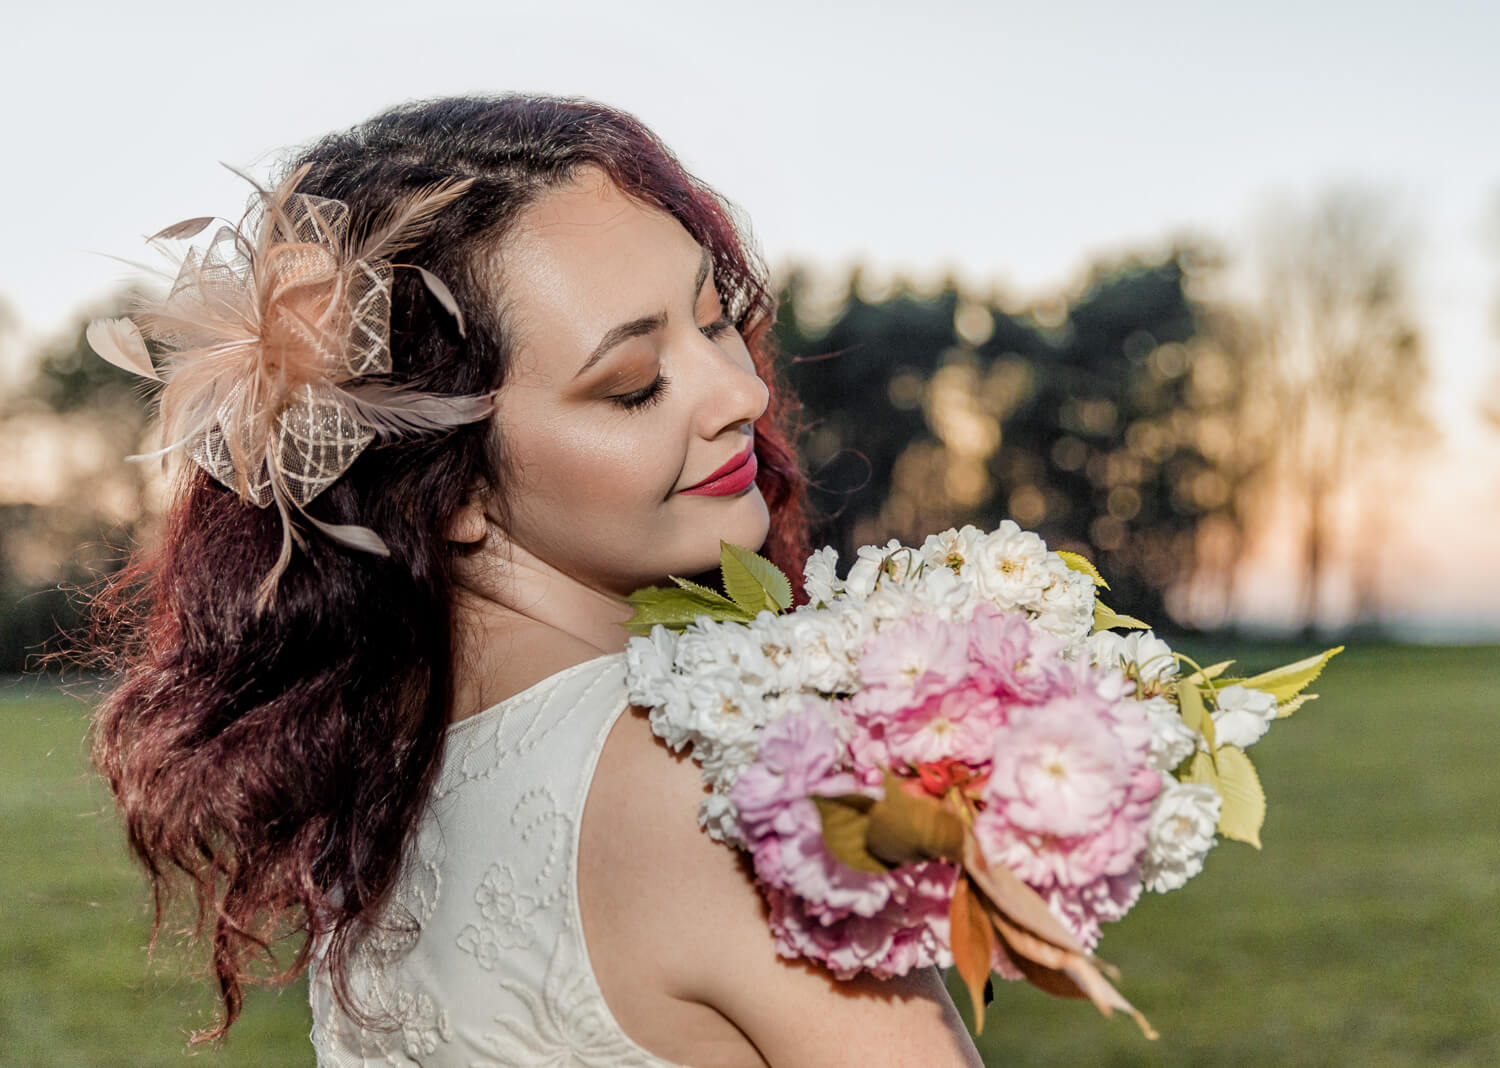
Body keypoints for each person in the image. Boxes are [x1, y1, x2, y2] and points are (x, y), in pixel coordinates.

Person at [89, 94, 984, 1066]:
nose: (744, 393)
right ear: (450, 488)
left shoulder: (384, 790)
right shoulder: (720, 780)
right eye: (633, 381)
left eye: (716, 319)